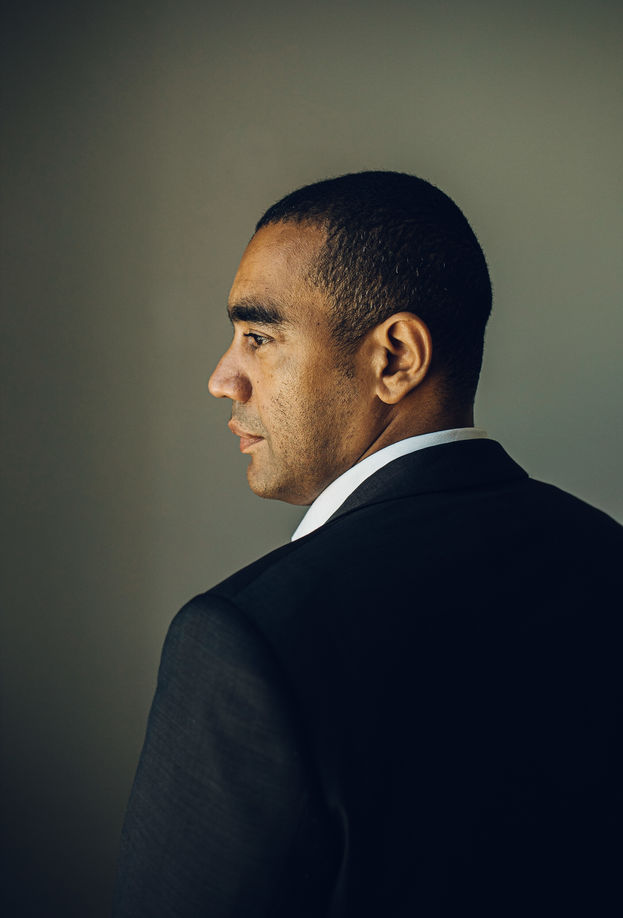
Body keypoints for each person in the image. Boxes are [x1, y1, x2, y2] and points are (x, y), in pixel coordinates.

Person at [114, 171, 622, 917]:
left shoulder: (245, 641)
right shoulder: (604, 557)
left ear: (395, 358)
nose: (223, 379)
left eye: (258, 337)